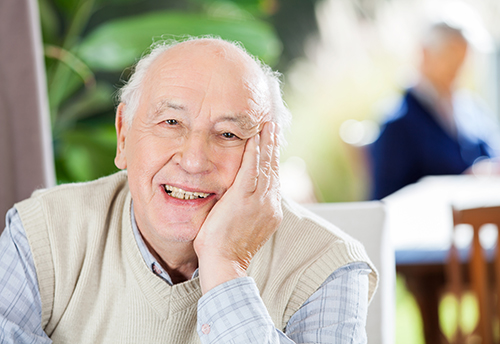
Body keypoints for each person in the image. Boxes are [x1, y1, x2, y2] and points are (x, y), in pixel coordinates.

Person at [0, 37, 377, 343]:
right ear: (123, 135)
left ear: (269, 156)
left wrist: (226, 264)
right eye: (170, 122)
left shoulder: (327, 266)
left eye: (228, 134)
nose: (195, 159)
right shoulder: (40, 234)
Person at [369, 22, 500, 200]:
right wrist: (465, 183)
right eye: (451, 58)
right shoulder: (399, 122)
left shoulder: (472, 109)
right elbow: (385, 200)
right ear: (425, 54)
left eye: (464, 60)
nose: (458, 69)